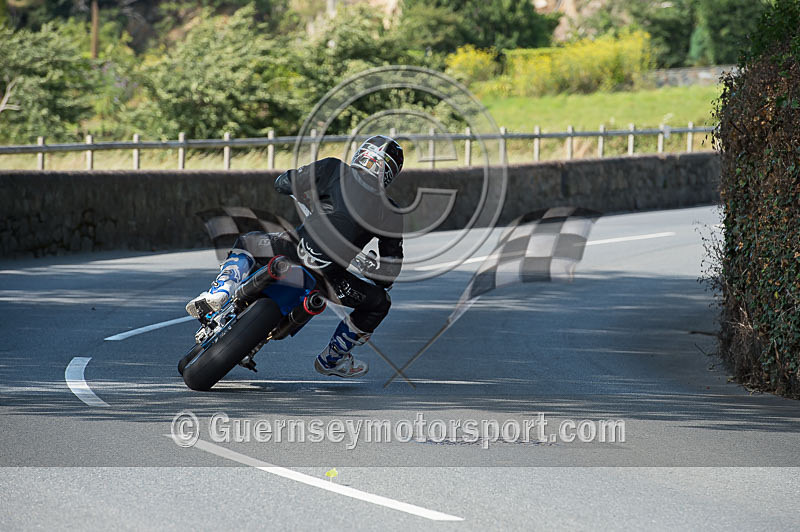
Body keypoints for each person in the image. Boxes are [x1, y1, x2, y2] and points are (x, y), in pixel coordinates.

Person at [186, 135, 405, 378]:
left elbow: (282, 183)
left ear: (361, 154)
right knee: (379, 303)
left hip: (295, 248)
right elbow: (389, 273)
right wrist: (372, 269)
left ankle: (221, 291)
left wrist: (296, 186)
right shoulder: (393, 213)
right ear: (390, 172)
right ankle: (333, 358)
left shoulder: (333, 169)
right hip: (331, 280)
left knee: (247, 242)